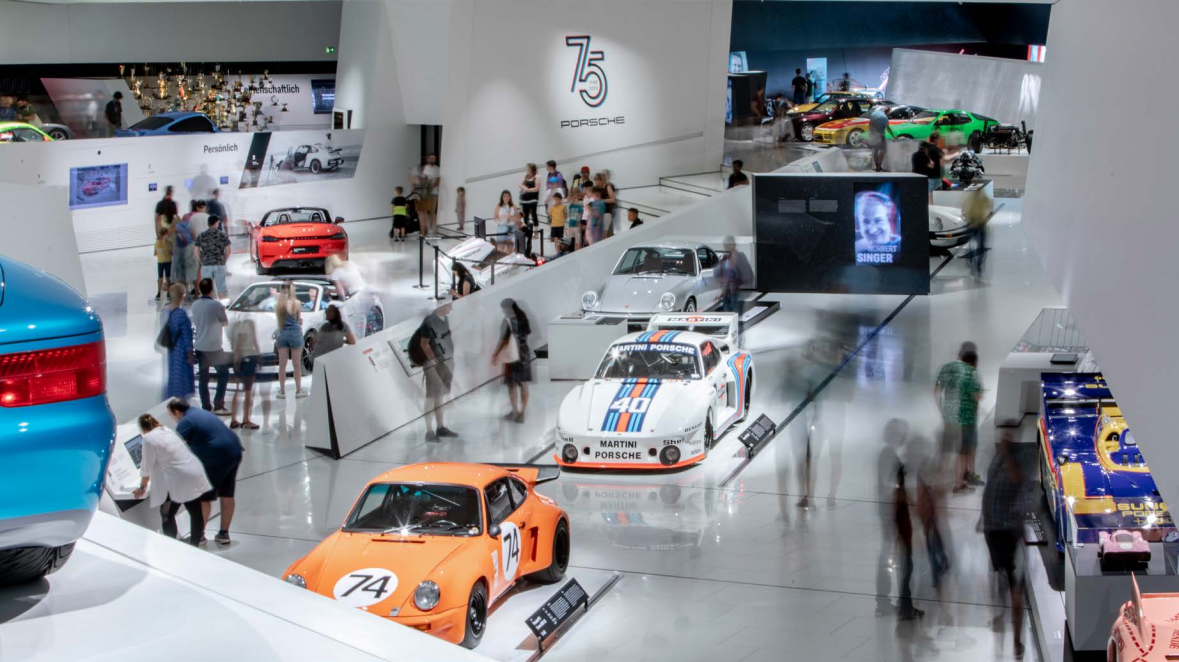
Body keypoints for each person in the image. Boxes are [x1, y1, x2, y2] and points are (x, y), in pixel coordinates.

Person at [167, 398, 243, 546]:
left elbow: (174, 449)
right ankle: (224, 534)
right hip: (234, 451)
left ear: (177, 412)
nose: (172, 418)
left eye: (170, 415)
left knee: (203, 497)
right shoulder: (200, 413)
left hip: (215, 456)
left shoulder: (185, 422)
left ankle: (199, 536)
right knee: (227, 494)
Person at [982, 432, 1030, 660]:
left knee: (1015, 587)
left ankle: (1016, 640)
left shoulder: (1019, 459)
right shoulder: (997, 457)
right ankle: (1000, 615)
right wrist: (982, 518)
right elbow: (990, 486)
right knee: (998, 576)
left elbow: (1017, 480)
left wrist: (1008, 455)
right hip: (993, 531)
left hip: (1010, 533)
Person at [132, 414, 211, 546]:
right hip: (193, 471)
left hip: (179, 478)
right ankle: (195, 545)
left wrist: (142, 487)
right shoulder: (167, 430)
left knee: (167, 514)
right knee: (195, 511)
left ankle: (172, 547)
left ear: (142, 429)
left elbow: (147, 466)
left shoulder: (148, 438)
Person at [935, 343, 984, 493]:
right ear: (973, 360)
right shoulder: (970, 372)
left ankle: (938, 485)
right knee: (963, 453)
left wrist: (942, 410)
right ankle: (959, 484)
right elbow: (977, 396)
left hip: (948, 416)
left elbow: (936, 391)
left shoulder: (946, 368)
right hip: (965, 418)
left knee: (946, 450)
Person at [418, 303, 457, 440]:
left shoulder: (445, 319)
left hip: (446, 361)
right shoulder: (429, 321)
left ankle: (440, 427)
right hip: (434, 363)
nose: (450, 309)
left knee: (440, 396)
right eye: (448, 306)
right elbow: (424, 344)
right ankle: (429, 431)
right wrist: (433, 360)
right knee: (431, 396)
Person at [191, 278, 230, 415]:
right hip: (214, 347)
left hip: (200, 346)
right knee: (223, 374)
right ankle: (218, 404)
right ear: (212, 290)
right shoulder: (217, 306)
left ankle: (206, 406)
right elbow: (225, 322)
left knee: (203, 378)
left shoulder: (195, 305)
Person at [493, 298, 532, 423]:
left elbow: (503, 340)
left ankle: (515, 410)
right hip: (524, 354)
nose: (503, 311)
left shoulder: (507, 321)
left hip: (511, 356)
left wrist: (496, 353)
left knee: (511, 384)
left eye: (503, 309)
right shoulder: (523, 318)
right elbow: (526, 335)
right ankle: (522, 413)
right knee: (523, 384)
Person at [163, 283, 195, 401]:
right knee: (182, 376)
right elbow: (187, 336)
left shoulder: (164, 312)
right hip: (181, 350)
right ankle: (180, 400)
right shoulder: (181, 314)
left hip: (170, 349)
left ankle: (171, 397)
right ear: (182, 296)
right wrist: (190, 353)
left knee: (172, 373)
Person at [228, 314, 261, 431]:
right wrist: (258, 356)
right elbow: (252, 342)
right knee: (248, 391)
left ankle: (233, 419)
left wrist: (235, 360)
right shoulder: (249, 323)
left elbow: (235, 345)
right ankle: (246, 420)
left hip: (238, 358)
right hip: (248, 357)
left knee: (237, 390)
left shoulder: (234, 325)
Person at [275, 281, 306, 399]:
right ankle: (298, 390)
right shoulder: (297, 303)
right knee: (296, 364)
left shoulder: (278, 304)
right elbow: (299, 320)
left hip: (282, 334)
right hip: (295, 334)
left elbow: (279, 321)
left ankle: (282, 391)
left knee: (282, 365)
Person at [854, 191, 901, 260]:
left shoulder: (900, 246)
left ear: (891, 221)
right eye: (865, 222)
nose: (872, 230)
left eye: (878, 221)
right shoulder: (856, 249)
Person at [195, 215, 230, 299]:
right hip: (219, 264)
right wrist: (224, 261)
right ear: (216, 223)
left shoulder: (202, 235)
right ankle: (223, 305)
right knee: (221, 289)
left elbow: (196, 250)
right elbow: (228, 249)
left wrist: (200, 261)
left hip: (206, 265)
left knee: (207, 290)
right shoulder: (222, 234)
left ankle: (209, 304)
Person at [719, 235, 751, 315]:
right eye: (726, 245)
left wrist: (740, 284)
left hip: (737, 293)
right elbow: (720, 273)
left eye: (729, 244)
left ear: (734, 244)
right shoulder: (724, 258)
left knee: (736, 316)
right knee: (727, 316)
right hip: (726, 293)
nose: (727, 247)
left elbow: (748, 274)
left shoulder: (740, 256)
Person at [172, 202, 198, 295]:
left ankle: (185, 292)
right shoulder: (199, 216)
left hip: (181, 247)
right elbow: (193, 234)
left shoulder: (184, 217)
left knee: (182, 271)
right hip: (192, 246)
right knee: (195, 270)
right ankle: (196, 292)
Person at [411, 154, 440, 236]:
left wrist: (430, 188)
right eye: (431, 158)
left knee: (432, 211)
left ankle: (432, 228)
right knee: (422, 212)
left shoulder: (437, 169)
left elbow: (438, 180)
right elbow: (417, 180)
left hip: (433, 193)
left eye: (434, 158)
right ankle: (423, 229)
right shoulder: (424, 168)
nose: (432, 160)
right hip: (422, 193)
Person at [519, 164, 540, 253]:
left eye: (528, 169)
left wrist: (528, 190)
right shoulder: (526, 176)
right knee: (525, 216)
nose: (527, 170)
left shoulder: (537, 177)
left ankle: (536, 232)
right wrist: (524, 188)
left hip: (532, 199)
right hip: (525, 200)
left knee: (534, 214)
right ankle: (527, 232)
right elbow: (520, 185)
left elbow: (536, 188)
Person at [867, 105, 894, 172]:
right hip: (880, 136)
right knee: (883, 150)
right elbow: (887, 128)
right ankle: (878, 167)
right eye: (889, 113)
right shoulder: (884, 117)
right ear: (887, 112)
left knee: (875, 150)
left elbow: (870, 124)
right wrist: (893, 135)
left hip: (872, 135)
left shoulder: (874, 113)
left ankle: (877, 165)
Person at [493, 190, 520, 254]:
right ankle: (501, 252)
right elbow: (495, 218)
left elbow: (518, 218)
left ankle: (510, 252)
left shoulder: (513, 206)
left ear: (510, 197)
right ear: (502, 197)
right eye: (504, 196)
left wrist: (511, 217)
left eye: (507, 196)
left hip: (512, 226)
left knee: (512, 242)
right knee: (501, 239)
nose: (506, 198)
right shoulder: (498, 206)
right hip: (502, 225)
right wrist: (501, 217)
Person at [154, 228, 173, 300]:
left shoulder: (157, 242)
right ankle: (168, 292)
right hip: (167, 261)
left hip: (160, 262)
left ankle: (159, 292)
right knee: (167, 278)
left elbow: (155, 253)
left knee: (161, 278)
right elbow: (171, 252)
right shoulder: (168, 242)